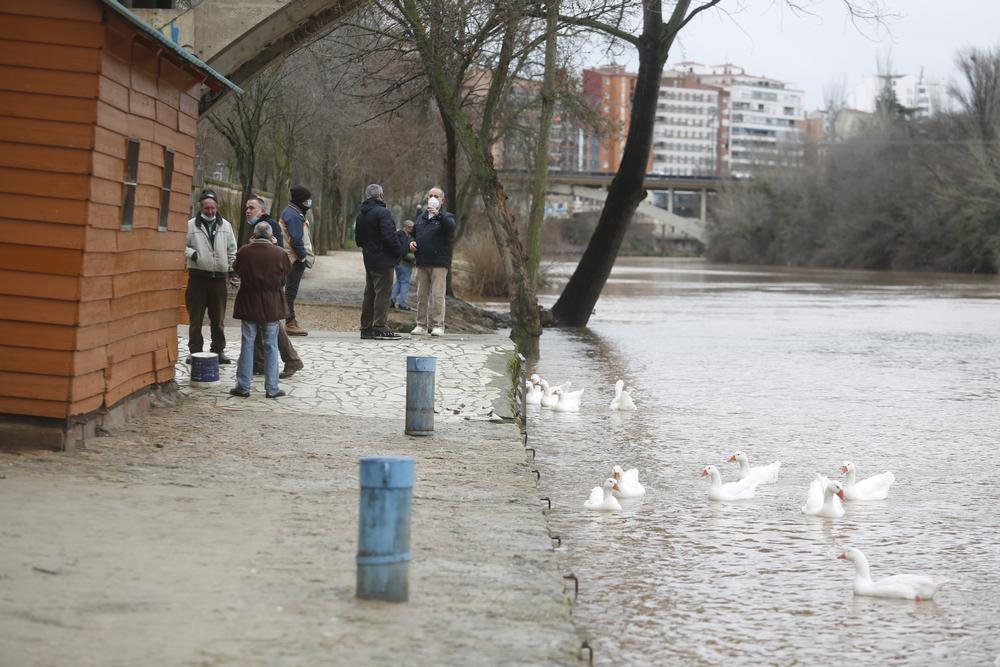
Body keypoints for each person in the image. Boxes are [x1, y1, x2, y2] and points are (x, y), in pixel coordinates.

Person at [230, 221, 292, 399]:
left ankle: (243, 386)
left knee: (247, 345)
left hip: (249, 302)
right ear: (271, 236)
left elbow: (236, 268)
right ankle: (272, 388)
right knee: (271, 346)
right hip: (271, 304)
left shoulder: (244, 251)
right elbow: (285, 273)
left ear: (254, 235)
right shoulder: (279, 253)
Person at [244, 197, 304, 379]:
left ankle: (291, 360)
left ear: (261, 211)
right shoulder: (263, 226)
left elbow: (276, 257)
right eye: (246, 208)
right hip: (264, 287)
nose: (247, 211)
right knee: (264, 323)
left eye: (251, 208)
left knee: (271, 324)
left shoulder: (267, 227)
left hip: (268, 287)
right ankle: (261, 363)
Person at [184, 189, 237, 363]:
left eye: (213, 208)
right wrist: (193, 255)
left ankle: (218, 350)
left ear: (217, 207)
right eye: (206, 208)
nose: (210, 211)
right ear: (201, 208)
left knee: (218, 318)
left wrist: (232, 271)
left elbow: (232, 250)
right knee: (196, 317)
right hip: (197, 278)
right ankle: (195, 351)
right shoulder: (190, 225)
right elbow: (180, 244)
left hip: (218, 279)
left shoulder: (226, 226)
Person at [355, 183, 403, 340]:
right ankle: (380, 326)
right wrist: (400, 252)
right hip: (383, 259)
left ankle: (366, 328)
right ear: (380, 196)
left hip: (369, 260)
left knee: (369, 294)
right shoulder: (383, 213)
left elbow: (358, 240)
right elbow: (389, 236)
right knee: (383, 293)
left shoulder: (361, 215)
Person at [411, 186, 456, 336]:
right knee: (421, 296)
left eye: (436, 196)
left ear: (442, 200)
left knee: (438, 295)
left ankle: (438, 325)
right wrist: (410, 242)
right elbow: (413, 234)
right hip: (422, 262)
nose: (433, 198)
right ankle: (421, 325)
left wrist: (438, 215)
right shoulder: (421, 218)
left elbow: (450, 227)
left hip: (439, 263)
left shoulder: (447, 217)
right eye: (430, 195)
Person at [279, 184, 314, 336]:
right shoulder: (293, 215)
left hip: (292, 258)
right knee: (290, 292)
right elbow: (295, 240)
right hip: (294, 259)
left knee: (289, 291)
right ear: (301, 200)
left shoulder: (292, 212)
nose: (309, 203)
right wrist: (302, 257)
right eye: (307, 200)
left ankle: (290, 320)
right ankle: (290, 322)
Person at [391, 220, 415, 311]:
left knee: (400, 281)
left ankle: (391, 300)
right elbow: (404, 249)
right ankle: (402, 304)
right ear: (405, 227)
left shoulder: (400, 235)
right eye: (410, 227)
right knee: (405, 282)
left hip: (398, 262)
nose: (412, 229)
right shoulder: (402, 236)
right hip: (404, 263)